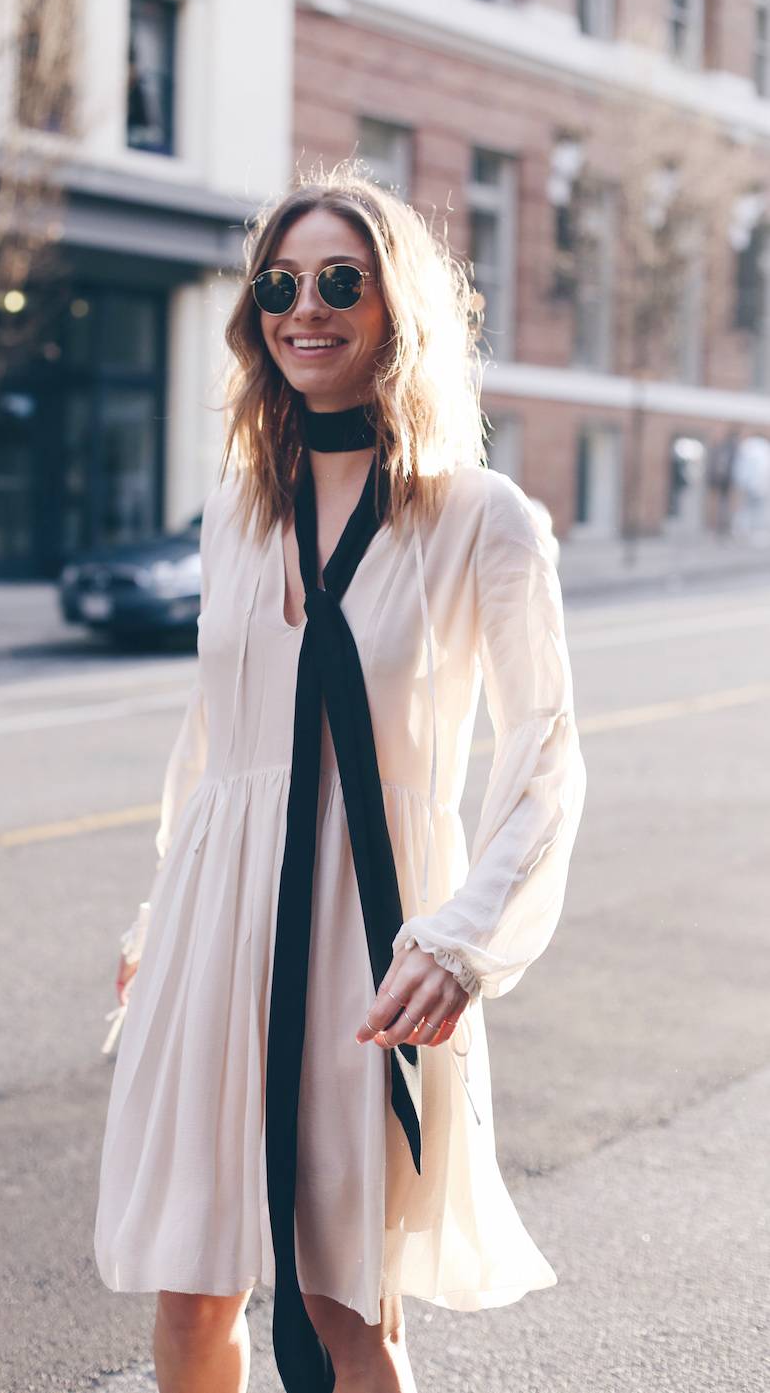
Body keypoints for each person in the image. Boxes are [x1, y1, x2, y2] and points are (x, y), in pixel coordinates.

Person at [94, 164, 588, 1393]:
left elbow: (543, 759)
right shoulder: (233, 512)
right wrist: (165, 913)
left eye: (336, 282)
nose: (301, 307)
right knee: (191, 1289)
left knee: (338, 1300)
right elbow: (212, 740)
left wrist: (465, 937)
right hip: (220, 924)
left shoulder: (484, 519)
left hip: (364, 935)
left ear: (394, 309)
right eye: (277, 283)